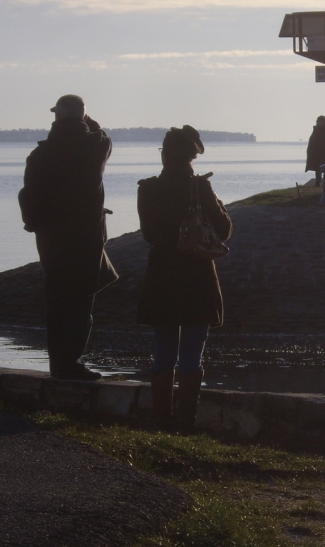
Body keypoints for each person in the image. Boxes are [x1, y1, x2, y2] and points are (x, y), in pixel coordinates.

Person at [136, 126, 232, 432]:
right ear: (192, 156)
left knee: (164, 346)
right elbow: (224, 230)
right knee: (193, 348)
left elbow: (150, 234)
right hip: (197, 276)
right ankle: (186, 421)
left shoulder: (148, 189)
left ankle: (161, 418)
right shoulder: (199, 188)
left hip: (162, 275)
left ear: (165, 155)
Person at [18, 94, 118, 381]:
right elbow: (102, 134)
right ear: (83, 117)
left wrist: (33, 224)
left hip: (52, 238)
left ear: (57, 117)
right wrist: (85, 119)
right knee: (81, 301)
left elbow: (29, 195)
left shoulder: (41, 155)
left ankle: (58, 364)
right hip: (87, 236)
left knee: (57, 301)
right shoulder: (96, 146)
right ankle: (70, 362)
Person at [305, 115, 325, 187]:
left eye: (322, 121)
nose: (320, 123)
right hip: (317, 153)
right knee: (318, 168)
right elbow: (312, 142)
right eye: (319, 121)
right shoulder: (316, 130)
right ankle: (318, 182)